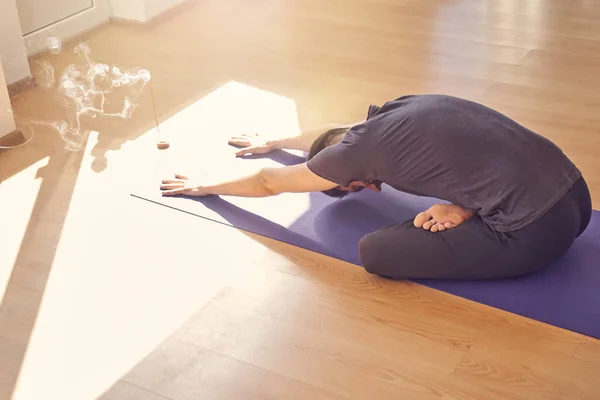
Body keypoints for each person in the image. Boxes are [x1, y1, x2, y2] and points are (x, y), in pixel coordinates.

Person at [160, 94, 592, 280]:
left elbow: (271, 182)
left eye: (355, 187)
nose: (374, 190)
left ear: (352, 178)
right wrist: (276, 140)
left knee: (376, 253)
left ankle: (480, 215)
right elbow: (339, 130)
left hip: (539, 232)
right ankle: (475, 208)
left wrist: (207, 184)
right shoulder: (399, 110)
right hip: (576, 192)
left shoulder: (353, 156)